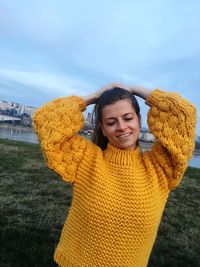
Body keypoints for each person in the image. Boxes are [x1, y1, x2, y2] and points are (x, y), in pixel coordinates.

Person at [33, 83, 197, 267]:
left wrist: (135, 90)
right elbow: (46, 120)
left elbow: (183, 114)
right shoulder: (87, 160)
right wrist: (95, 96)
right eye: (111, 122)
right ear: (102, 129)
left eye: (128, 118)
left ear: (139, 121)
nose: (121, 127)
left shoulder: (160, 168)